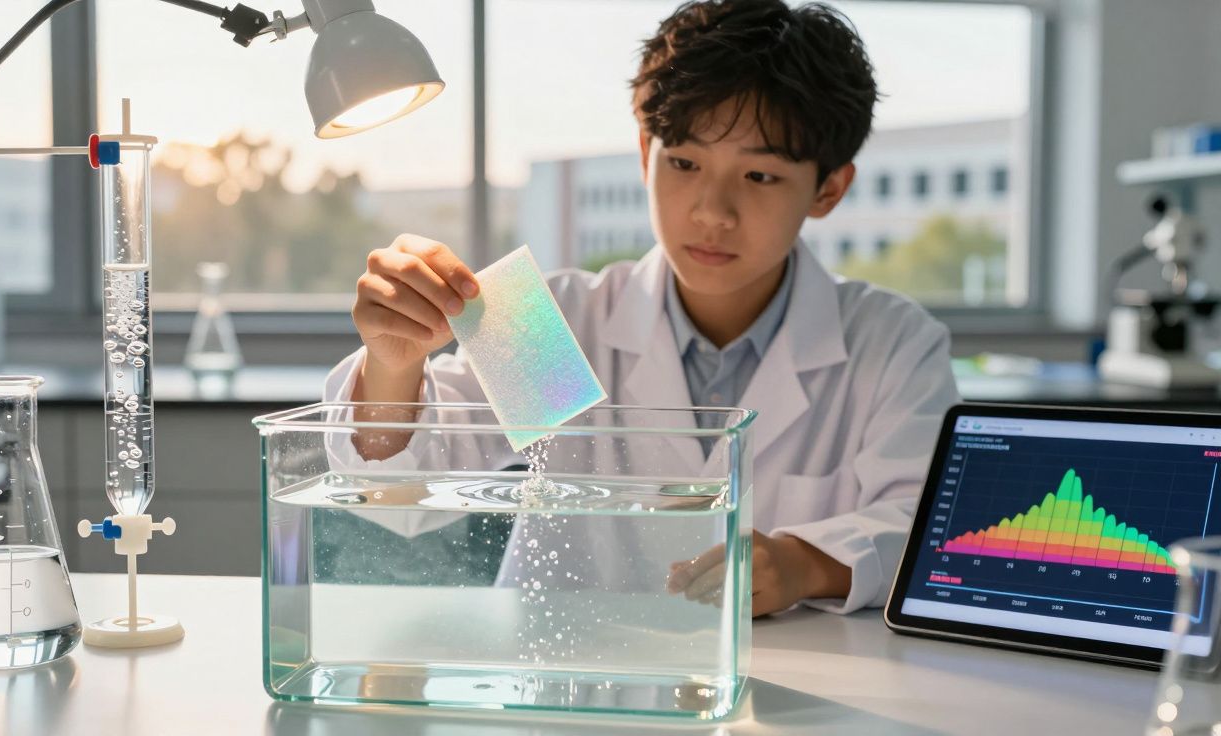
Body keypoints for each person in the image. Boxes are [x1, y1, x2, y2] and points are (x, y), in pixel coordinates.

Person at [326, 0, 959, 615]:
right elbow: (398, 497)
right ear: (643, 155)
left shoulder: (892, 343)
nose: (712, 212)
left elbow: (924, 526)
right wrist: (395, 363)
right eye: (684, 162)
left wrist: (804, 563)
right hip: (567, 690)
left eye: (760, 176)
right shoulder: (564, 322)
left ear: (828, 188)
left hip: (792, 695)